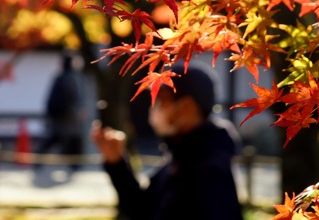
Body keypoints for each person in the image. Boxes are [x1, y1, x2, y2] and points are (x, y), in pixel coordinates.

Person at [91, 65, 243, 220]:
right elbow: (144, 209)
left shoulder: (209, 169)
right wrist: (116, 162)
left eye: (161, 100)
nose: (154, 108)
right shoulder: (181, 156)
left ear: (186, 107)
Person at [37, 52, 86, 172]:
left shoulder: (59, 77)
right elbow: (73, 97)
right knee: (68, 138)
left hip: (58, 115)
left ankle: (39, 159)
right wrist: (78, 110)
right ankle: (74, 165)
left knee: (58, 138)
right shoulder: (70, 78)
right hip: (67, 116)